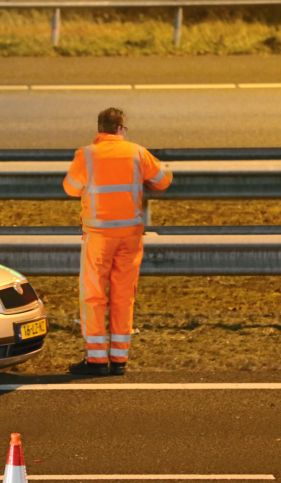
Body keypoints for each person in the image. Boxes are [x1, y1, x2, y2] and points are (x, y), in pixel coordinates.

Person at [63, 108, 173, 376]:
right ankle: (120, 359)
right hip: (130, 237)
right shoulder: (137, 152)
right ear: (121, 128)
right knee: (124, 295)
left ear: (100, 129)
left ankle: (96, 359)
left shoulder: (87, 154)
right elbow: (163, 180)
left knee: (93, 295)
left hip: (98, 236)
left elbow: (71, 188)